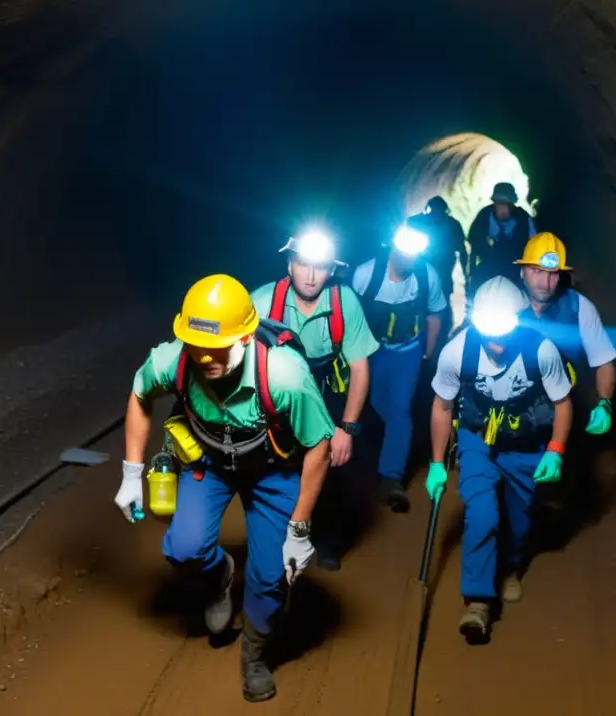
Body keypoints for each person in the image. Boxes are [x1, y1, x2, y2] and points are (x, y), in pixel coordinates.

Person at [113, 273, 335, 702]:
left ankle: (255, 655)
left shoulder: (285, 376)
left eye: (219, 348)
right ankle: (219, 577)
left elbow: (319, 447)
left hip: (275, 470)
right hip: (210, 462)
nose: (206, 359)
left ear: (248, 336)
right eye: (198, 348)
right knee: (183, 549)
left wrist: (301, 528)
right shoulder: (175, 359)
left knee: (272, 576)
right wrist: (130, 474)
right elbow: (140, 393)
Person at [425, 276, 572, 640]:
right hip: (478, 443)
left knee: (520, 520)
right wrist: (436, 462)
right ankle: (478, 601)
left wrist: (555, 449)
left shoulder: (541, 350)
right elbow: (443, 406)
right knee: (482, 514)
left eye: (502, 333)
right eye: (488, 333)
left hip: (525, 445)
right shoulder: (457, 351)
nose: (495, 343)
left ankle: (511, 567)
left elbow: (562, 402)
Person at [251, 229, 380, 571]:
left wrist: (347, 429)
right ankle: (274, 535)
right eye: (303, 264)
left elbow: (359, 367)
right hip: (277, 391)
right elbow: (236, 358)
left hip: (324, 391)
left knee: (334, 467)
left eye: (320, 267)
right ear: (289, 263)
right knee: (274, 467)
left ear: (332, 270)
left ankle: (327, 540)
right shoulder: (263, 301)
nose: (310, 276)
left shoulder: (343, 301)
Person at [353, 223, 447, 513]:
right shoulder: (366, 274)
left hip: (407, 350)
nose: (408, 257)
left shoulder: (425, 275)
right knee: (371, 405)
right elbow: (346, 312)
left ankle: (390, 478)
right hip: (368, 350)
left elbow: (434, 315)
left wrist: (427, 353)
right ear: (392, 247)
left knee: (399, 411)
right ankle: (359, 467)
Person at [514, 232, 616, 434]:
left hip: (564, 406)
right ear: (522, 271)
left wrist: (604, 403)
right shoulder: (503, 301)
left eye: (552, 274)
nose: (545, 283)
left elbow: (603, 360)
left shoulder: (579, 307)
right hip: (512, 407)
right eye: (536, 271)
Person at [466, 182, 536, 296]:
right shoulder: (484, 216)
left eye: (506, 205)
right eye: (499, 204)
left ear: (512, 205)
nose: (502, 209)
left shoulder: (523, 219)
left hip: (516, 267)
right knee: (477, 285)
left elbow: (534, 245)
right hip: (489, 265)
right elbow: (474, 242)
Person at [407, 195, 468, 306]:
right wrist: (465, 272)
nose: (437, 214)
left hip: (439, 265)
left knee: (437, 294)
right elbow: (462, 250)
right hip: (432, 265)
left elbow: (461, 250)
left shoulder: (450, 224)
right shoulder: (451, 223)